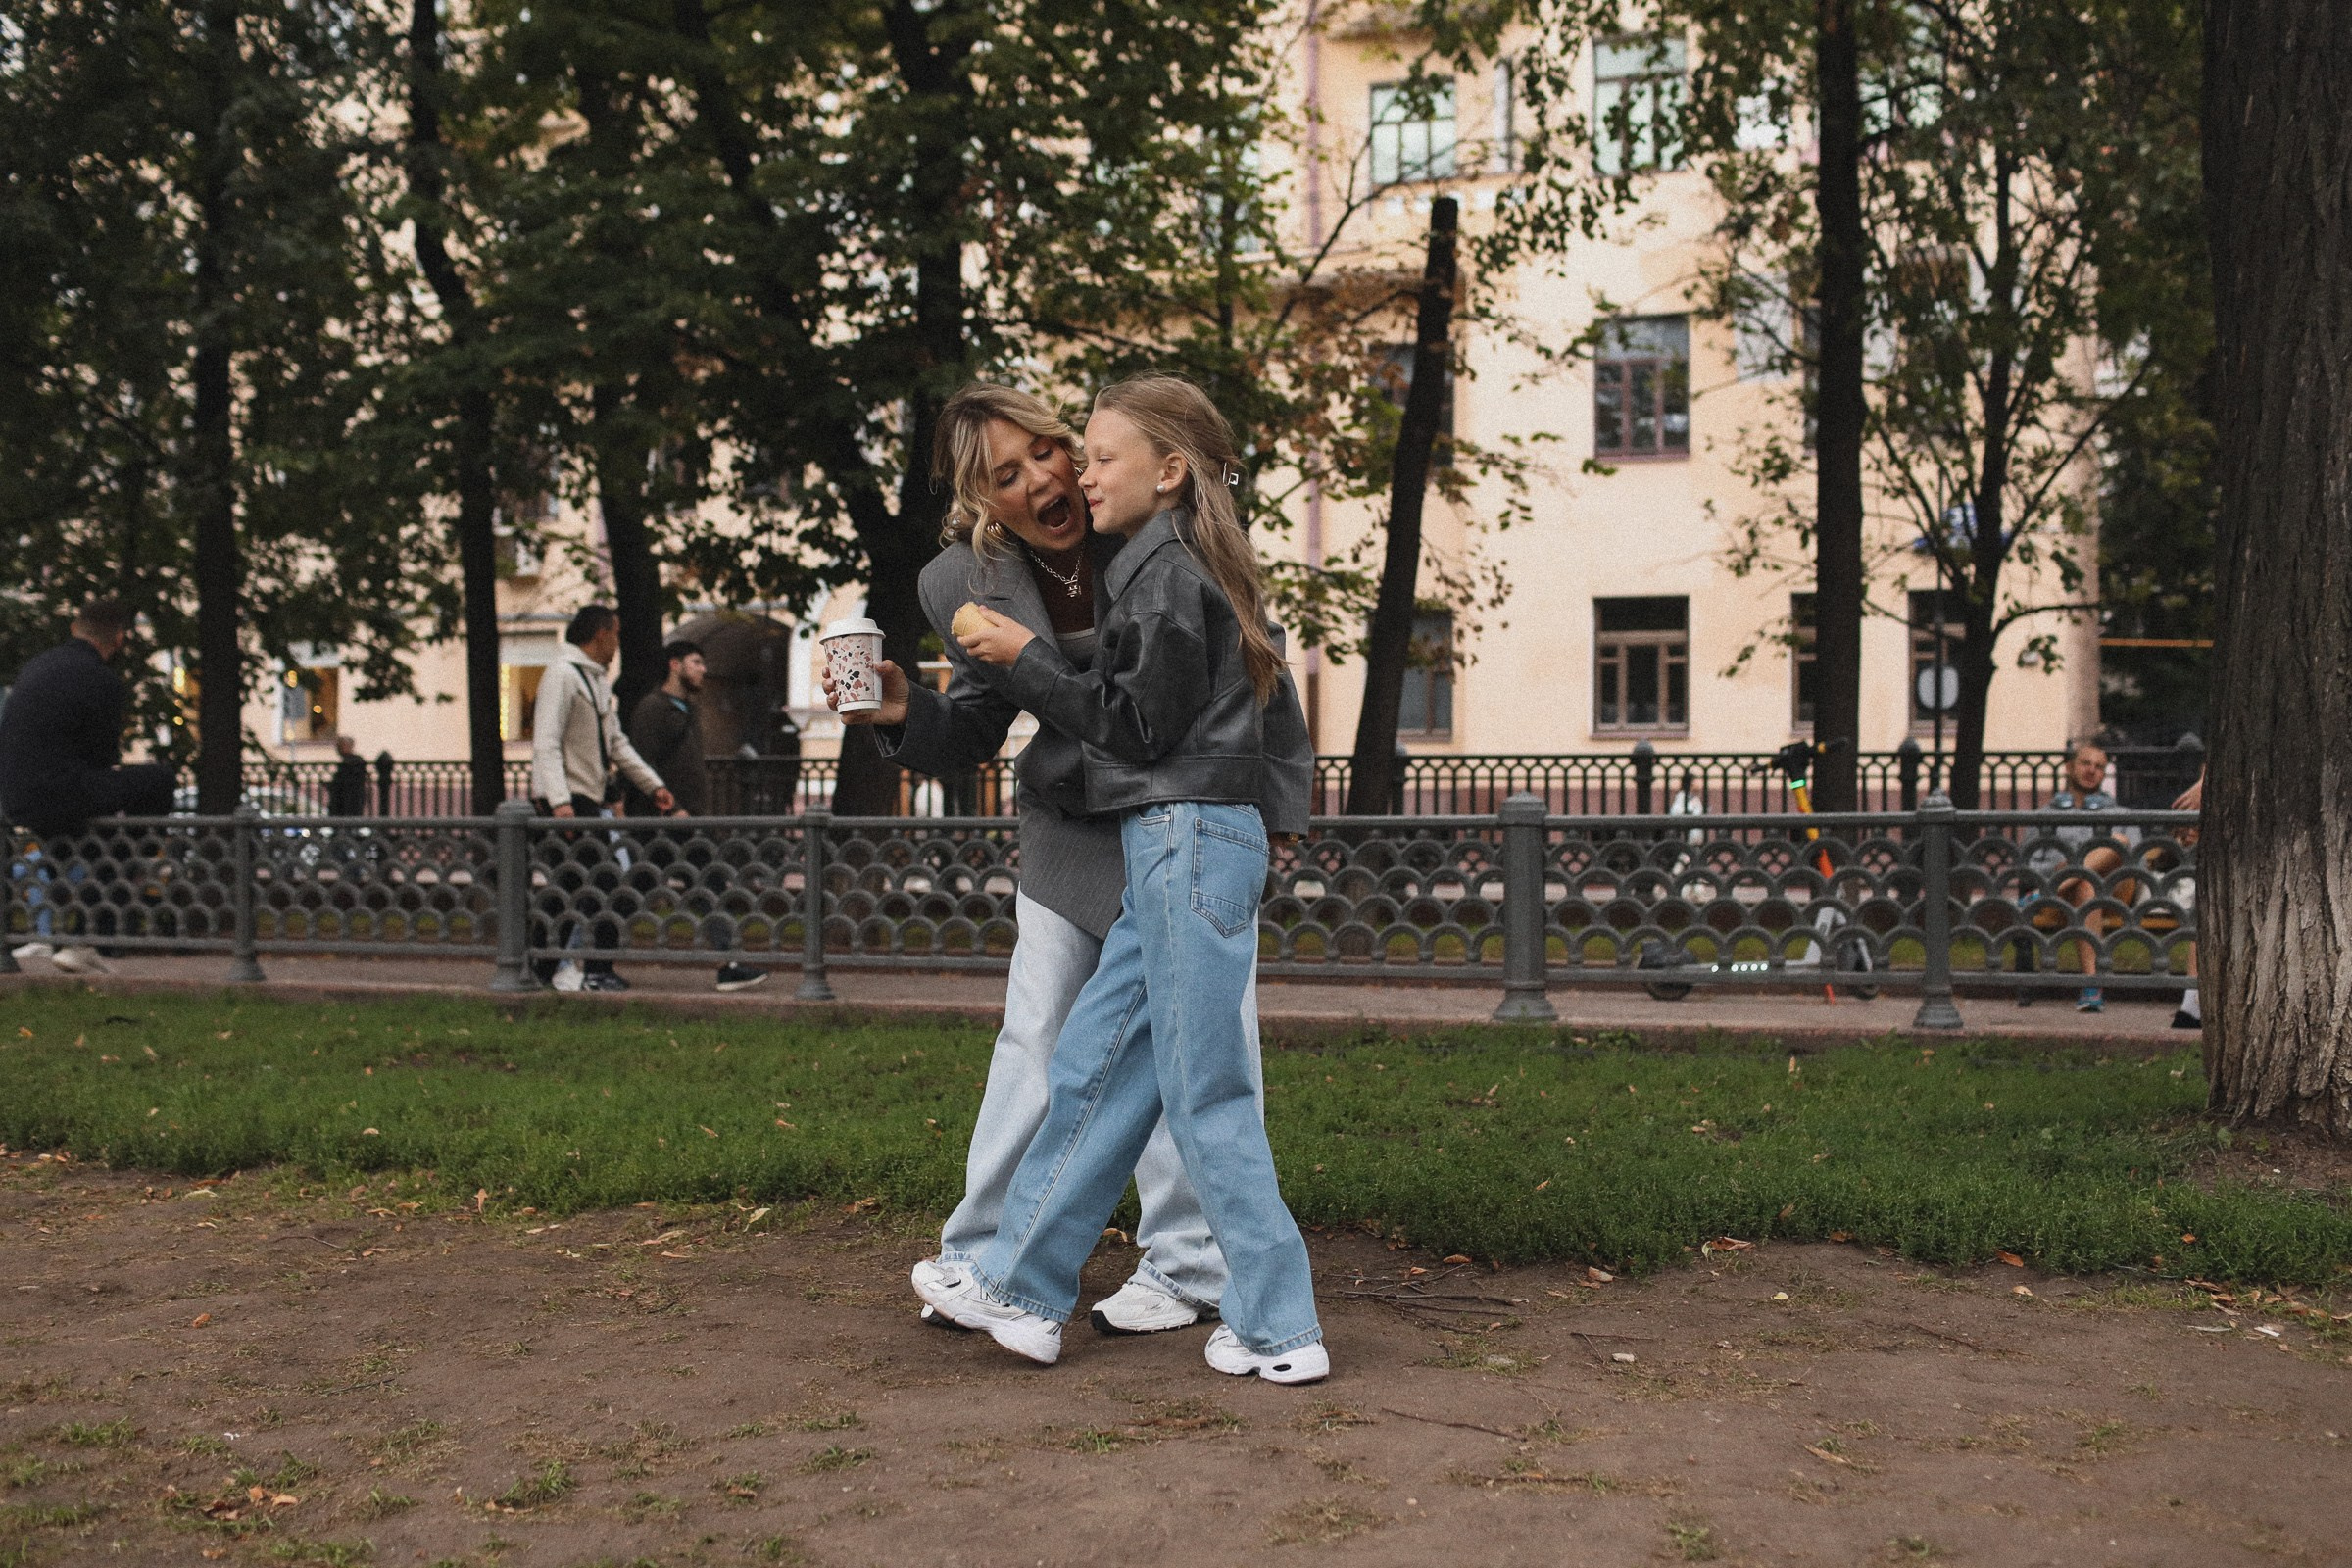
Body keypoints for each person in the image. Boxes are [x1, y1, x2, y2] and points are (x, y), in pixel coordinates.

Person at [827, 382, 1311, 1341]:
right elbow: (976, 725)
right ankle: (987, 1254)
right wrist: (902, 711)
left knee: (1199, 1045)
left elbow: (1259, 668)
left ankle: (1187, 1264)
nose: (1046, 479)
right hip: (1072, 827)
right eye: (1006, 475)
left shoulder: (1151, 525)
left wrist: (1279, 807)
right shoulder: (960, 581)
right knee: (1042, 1038)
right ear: (982, 499)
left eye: (1048, 450)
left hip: (1184, 819)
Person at [0, 598, 175, 976]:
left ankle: (81, 941)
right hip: (62, 792)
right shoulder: (101, 680)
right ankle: (141, 852)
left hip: (16, 795)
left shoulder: (37, 667)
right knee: (159, 780)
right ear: (120, 638)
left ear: (74, 628)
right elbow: (101, 758)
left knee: (96, 847)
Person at [529, 605, 673, 993]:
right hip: (568, 801)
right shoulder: (562, 674)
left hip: (585, 799)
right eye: (616, 634)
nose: (618, 643)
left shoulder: (595, 681)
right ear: (600, 634)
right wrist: (559, 801)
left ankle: (543, 967)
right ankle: (588, 969)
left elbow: (616, 743)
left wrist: (653, 785)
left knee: (570, 886)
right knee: (602, 882)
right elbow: (546, 741)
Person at [625, 638, 765, 993]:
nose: (703, 670)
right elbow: (643, 765)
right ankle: (574, 953)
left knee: (707, 886)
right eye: (696, 662)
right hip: (663, 822)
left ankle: (728, 964)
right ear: (674, 665)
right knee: (629, 892)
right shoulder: (652, 709)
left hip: (688, 820)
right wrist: (671, 808)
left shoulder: (687, 708)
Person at [2036, 740, 2137, 1013]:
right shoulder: (2045, 815)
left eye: (2099, 767)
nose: (2092, 771)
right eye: (2085, 763)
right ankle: (2092, 986)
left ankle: (2051, 889)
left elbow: (2135, 863)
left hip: (2116, 891)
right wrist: (2069, 871)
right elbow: (2031, 864)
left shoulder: (2120, 814)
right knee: (2086, 885)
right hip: (2069, 897)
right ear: (2069, 767)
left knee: (2118, 840)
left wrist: (2072, 869)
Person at [327, 735, 371, 816]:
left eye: (340, 746)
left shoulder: (354, 761)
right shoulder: (349, 761)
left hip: (349, 801)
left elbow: (346, 781)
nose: (337, 749)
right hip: (346, 801)